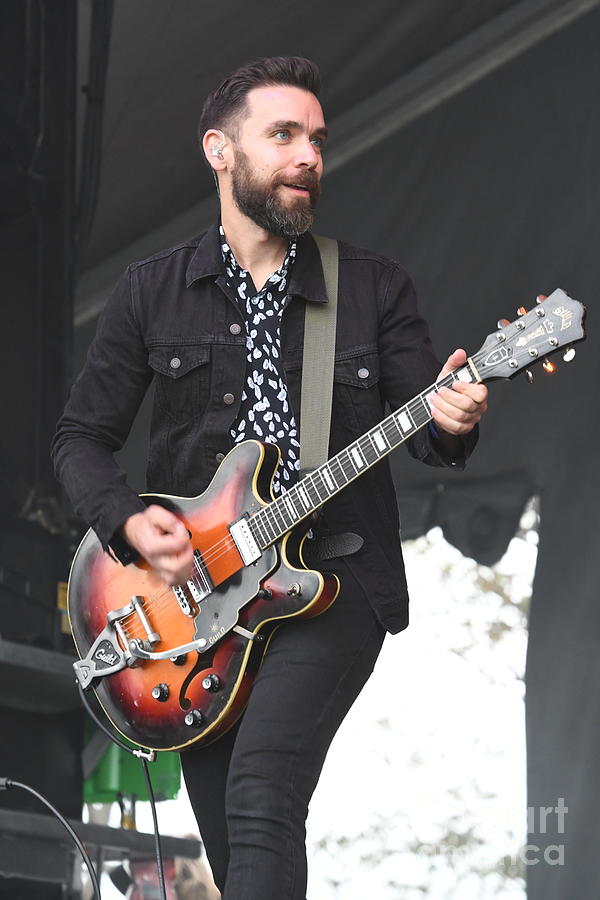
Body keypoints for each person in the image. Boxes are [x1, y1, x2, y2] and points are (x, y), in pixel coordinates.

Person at [53, 57, 488, 900]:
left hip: (336, 579)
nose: (307, 157)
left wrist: (455, 418)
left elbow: (431, 435)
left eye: (317, 140)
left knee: (261, 794)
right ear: (220, 151)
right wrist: (130, 525)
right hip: (198, 609)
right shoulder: (152, 292)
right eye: (283, 135)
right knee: (232, 842)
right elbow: (79, 439)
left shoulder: (370, 289)